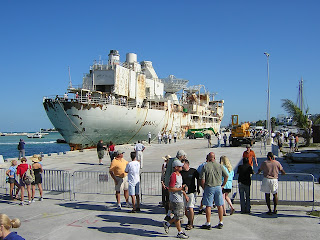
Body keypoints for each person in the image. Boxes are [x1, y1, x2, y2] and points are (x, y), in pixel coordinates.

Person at [200, 152, 228, 230]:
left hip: (209, 186)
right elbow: (226, 175)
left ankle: (208, 223)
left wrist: (203, 187)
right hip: (218, 187)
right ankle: (220, 222)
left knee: (208, 206)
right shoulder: (219, 166)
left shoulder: (205, 166)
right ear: (214, 157)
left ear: (208, 158)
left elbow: (202, 179)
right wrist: (223, 185)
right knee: (219, 205)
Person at [163, 160, 189, 239]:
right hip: (175, 199)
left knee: (180, 215)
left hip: (180, 198)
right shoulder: (173, 175)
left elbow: (180, 187)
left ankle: (167, 224)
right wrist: (181, 188)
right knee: (178, 216)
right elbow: (170, 189)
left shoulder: (179, 175)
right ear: (176, 167)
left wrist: (185, 194)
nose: (182, 167)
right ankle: (179, 232)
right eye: (180, 166)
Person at [163, 150, 187, 221]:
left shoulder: (171, 160)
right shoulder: (176, 162)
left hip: (168, 181)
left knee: (170, 200)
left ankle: (169, 214)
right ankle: (173, 217)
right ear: (180, 156)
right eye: (183, 156)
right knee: (174, 201)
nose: (184, 157)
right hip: (173, 183)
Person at [181, 159, 199, 230]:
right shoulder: (181, 173)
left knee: (190, 208)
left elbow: (198, 179)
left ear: (187, 164)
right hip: (183, 193)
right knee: (184, 209)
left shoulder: (193, 171)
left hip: (192, 192)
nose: (182, 166)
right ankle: (190, 219)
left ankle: (191, 223)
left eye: (183, 165)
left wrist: (198, 187)